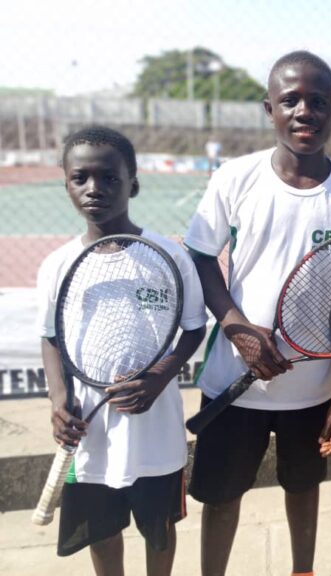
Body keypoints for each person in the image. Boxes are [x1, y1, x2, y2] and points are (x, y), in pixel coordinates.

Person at [184, 50, 331, 576]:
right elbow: (201, 256)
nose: (304, 111)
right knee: (221, 499)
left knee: (304, 488)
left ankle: (303, 571)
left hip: (311, 391)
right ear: (268, 109)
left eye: (319, 102)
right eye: (290, 100)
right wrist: (238, 328)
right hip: (234, 383)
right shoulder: (236, 178)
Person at [37, 125, 207, 575]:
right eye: (81, 178)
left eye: (109, 178)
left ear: (133, 182)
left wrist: (160, 377)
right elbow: (50, 338)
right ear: (67, 184)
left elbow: (193, 329)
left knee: (159, 526)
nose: (95, 189)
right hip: (89, 431)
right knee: (101, 529)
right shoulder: (56, 266)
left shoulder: (169, 256)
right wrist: (58, 400)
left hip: (156, 426)